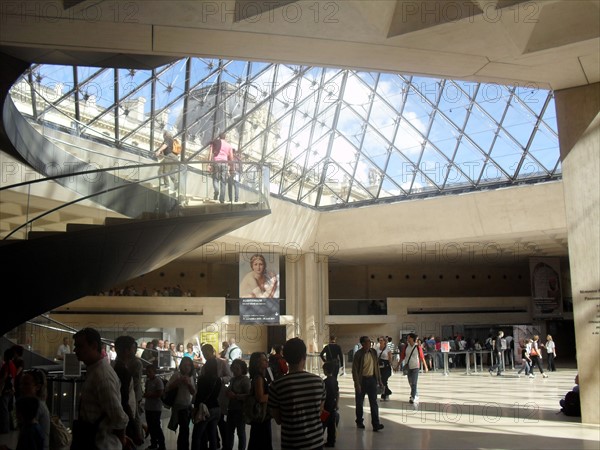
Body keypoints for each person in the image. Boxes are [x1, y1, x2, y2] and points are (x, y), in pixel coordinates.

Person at [71, 327, 130, 450]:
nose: (75, 350)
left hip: (100, 444)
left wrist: (121, 440)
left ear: (93, 345)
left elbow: (119, 417)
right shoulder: (95, 370)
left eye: (80, 346)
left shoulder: (102, 376)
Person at [268, 337, 325, 450]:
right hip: (316, 442)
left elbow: (278, 420)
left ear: (285, 358)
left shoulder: (276, 385)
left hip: (292, 443)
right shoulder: (319, 382)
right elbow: (320, 412)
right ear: (304, 356)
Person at [111, 336, 143, 447]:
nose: (134, 351)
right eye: (132, 349)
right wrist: (133, 428)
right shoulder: (122, 370)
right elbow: (124, 400)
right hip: (124, 419)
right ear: (126, 351)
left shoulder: (115, 366)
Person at [200, 344, 232, 450]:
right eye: (203, 354)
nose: (205, 356)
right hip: (210, 397)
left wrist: (220, 380)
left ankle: (225, 445)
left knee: (221, 422)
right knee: (213, 424)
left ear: (211, 352)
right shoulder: (205, 366)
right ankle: (216, 443)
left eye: (206, 353)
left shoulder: (221, 363)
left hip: (220, 395)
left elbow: (229, 376)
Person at [351, 335, 384, 432]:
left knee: (373, 403)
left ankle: (376, 424)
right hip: (362, 381)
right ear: (363, 344)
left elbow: (376, 367)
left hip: (372, 380)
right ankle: (359, 421)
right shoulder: (358, 354)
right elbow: (355, 370)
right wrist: (357, 384)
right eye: (368, 342)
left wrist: (379, 381)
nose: (370, 343)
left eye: (370, 342)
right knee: (359, 403)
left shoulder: (373, 352)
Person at [165, 356, 196, 450]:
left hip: (188, 406)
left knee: (185, 430)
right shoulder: (176, 375)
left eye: (189, 365)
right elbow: (167, 388)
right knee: (184, 430)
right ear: (181, 365)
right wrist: (178, 381)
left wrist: (189, 384)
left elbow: (193, 392)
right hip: (179, 407)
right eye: (185, 365)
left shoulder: (191, 377)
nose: (187, 367)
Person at [191, 358, 222, 450]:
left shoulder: (202, 379)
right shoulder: (218, 380)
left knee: (197, 435)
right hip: (216, 408)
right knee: (213, 435)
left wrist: (196, 409)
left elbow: (199, 395)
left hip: (205, 409)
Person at [18, 370, 50, 450]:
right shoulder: (39, 404)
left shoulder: (36, 407)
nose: (22, 387)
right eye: (21, 384)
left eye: (26, 384)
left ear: (38, 387)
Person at [246, 352, 271, 450]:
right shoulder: (258, 378)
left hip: (260, 416)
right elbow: (260, 397)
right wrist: (272, 394)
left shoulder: (259, 377)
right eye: (264, 360)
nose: (267, 361)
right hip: (262, 416)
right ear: (257, 363)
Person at [224, 359, 251, 450]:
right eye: (233, 368)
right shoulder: (233, 379)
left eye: (237, 369)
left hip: (240, 410)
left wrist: (235, 396)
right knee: (229, 432)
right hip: (231, 409)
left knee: (240, 432)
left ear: (242, 369)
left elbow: (249, 395)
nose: (234, 371)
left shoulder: (245, 380)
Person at [143, 365, 166, 450]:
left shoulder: (158, 381)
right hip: (148, 407)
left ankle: (162, 445)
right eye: (147, 372)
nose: (148, 373)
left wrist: (150, 395)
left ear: (154, 372)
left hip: (156, 408)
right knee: (151, 426)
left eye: (150, 372)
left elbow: (160, 393)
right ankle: (153, 443)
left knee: (156, 426)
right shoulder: (148, 381)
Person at [402, 333, 426, 404]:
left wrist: (425, 367)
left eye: (409, 338)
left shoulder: (418, 347)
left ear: (412, 338)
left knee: (414, 382)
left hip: (415, 367)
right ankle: (416, 394)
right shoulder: (406, 347)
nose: (407, 339)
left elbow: (422, 357)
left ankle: (412, 397)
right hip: (408, 367)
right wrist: (397, 366)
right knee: (410, 382)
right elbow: (402, 356)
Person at [210, 134, 233, 203]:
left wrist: (209, 164)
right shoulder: (229, 145)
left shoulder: (215, 142)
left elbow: (210, 153)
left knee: (215, 179)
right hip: (224, 163)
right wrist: (230, 166)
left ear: (219, 137)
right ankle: (222, 199)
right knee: (223, 182)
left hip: (216, 162)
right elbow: (231, 157)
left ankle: (216, 191)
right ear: (225, 137)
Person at [322, 361, 339, 448]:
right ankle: (331, 442)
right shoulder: (334, 380)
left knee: (322, 424)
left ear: (325, 370)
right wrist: (337, 404)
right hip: (333, 406)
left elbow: (323, 396)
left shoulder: (324, 382)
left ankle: (319, 439)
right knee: (332, 426)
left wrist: (321, 407)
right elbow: (337, 393)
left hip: (326, 407)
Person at [376, 336, 393, 401]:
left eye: (381, 340)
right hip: (379, 367)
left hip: (386, 366)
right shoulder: (377, 349)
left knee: (384, 380)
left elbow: (390, 359)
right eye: (379, 340)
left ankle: (384, 395)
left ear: (384, 341)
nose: (380, 341)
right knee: (381, 381)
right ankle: (386, 393)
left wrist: (392, 366)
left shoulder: (388, 349)